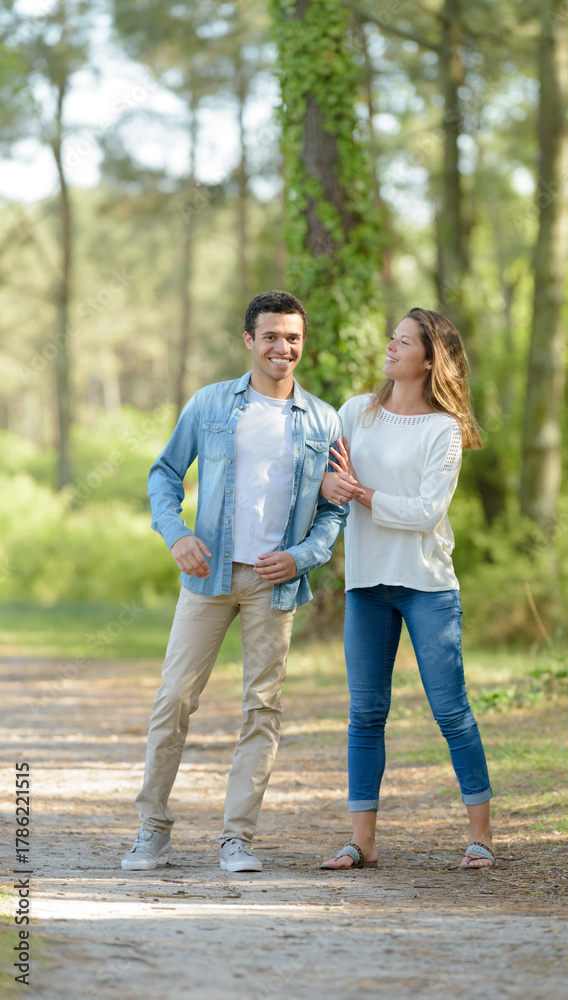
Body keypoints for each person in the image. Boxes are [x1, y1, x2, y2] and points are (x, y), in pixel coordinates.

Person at [122, 290, 347, 873]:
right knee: (174, 698)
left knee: (262, 708)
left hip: (275, 585)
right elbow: (164, 474)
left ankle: (236, 838)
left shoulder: (323, 419)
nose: (283, 347)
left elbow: (336, 507)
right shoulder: (210, 405)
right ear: (249, 340)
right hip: (208, 576)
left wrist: (303, 557)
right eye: (271, 336)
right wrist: (176, 535)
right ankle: (152, 829)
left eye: (293, 337)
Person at [319, 307, 494, 871]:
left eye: (403, 341)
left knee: (451, 711)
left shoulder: (445, 429)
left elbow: (425, 513)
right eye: (391, 338)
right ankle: (362, 842)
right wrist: (330, 482)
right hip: (366, 583)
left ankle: (481, 838)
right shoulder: (356, 413)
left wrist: (361, 493)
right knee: (365, 713)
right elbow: (323, 480)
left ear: (429, 358)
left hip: (425, 586)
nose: (390, 347)